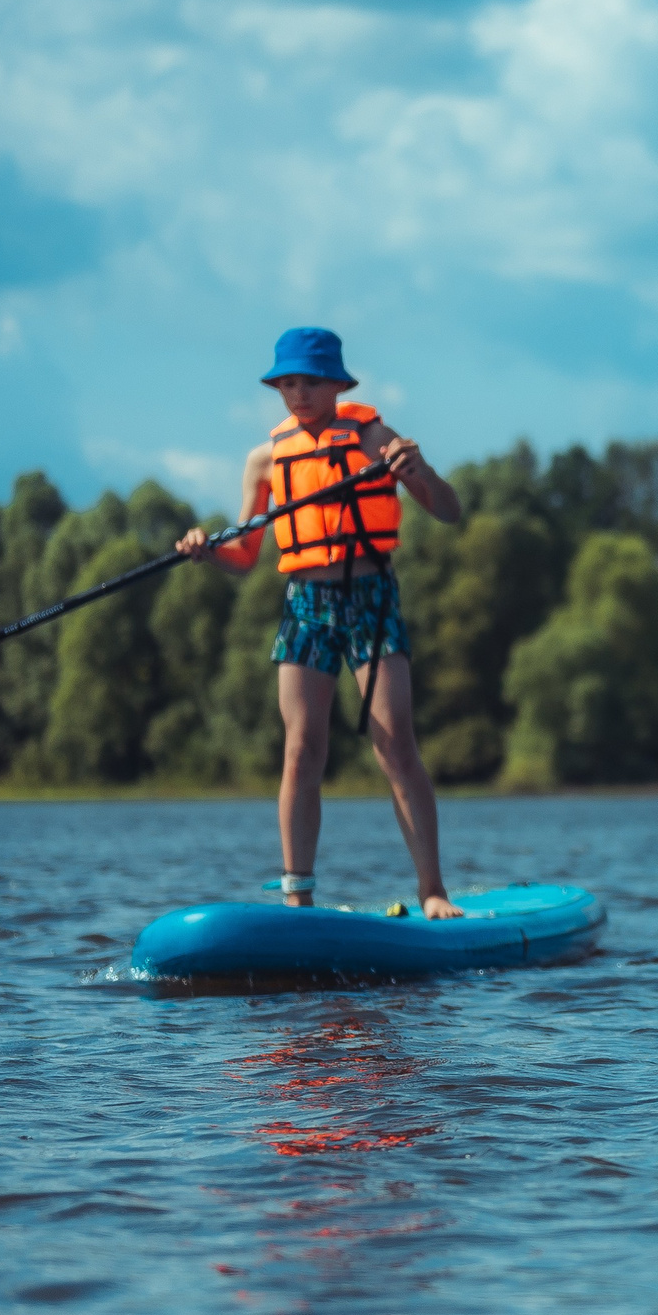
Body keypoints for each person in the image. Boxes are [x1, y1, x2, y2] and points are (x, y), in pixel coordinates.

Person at [176, 328, 467, 918]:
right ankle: (298, 896)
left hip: (370, 597)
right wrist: (206, 551)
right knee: (302, 749)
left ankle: (432, 890)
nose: (298, 393)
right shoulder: (265, 459)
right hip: (305, 603)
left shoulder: (373, 439)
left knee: (395, 744)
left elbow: (449, 511)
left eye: (310, 381)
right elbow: (244, 556)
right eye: (287, 383)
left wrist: (422, 471)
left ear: (338, 385)